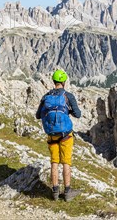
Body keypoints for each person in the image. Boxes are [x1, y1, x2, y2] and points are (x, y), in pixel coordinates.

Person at [35, 69, 82, 201]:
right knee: (66, 162)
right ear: (64, 82)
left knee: (54, 162)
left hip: (51, 134)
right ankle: (67, 192)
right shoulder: (68, 96)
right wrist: (68, 110)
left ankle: (55, 192)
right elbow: (78, 114)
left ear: (54, 81)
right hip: (66, 134)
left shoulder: (46, 97)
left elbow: (38, 115)